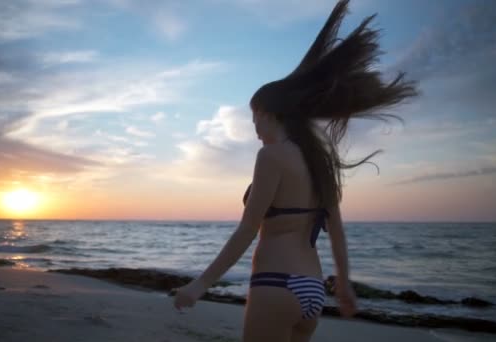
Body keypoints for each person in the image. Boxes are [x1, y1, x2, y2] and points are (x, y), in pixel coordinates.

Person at [172, 0, 418, 340]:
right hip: (312, 291)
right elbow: (338, 231)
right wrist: (343, 284)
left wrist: (200, 285)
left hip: (276, 284)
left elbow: (247, 230)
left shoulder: (272, 157)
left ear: (272, 113)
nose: (253, 124)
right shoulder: (320, 161)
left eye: (254, 115)